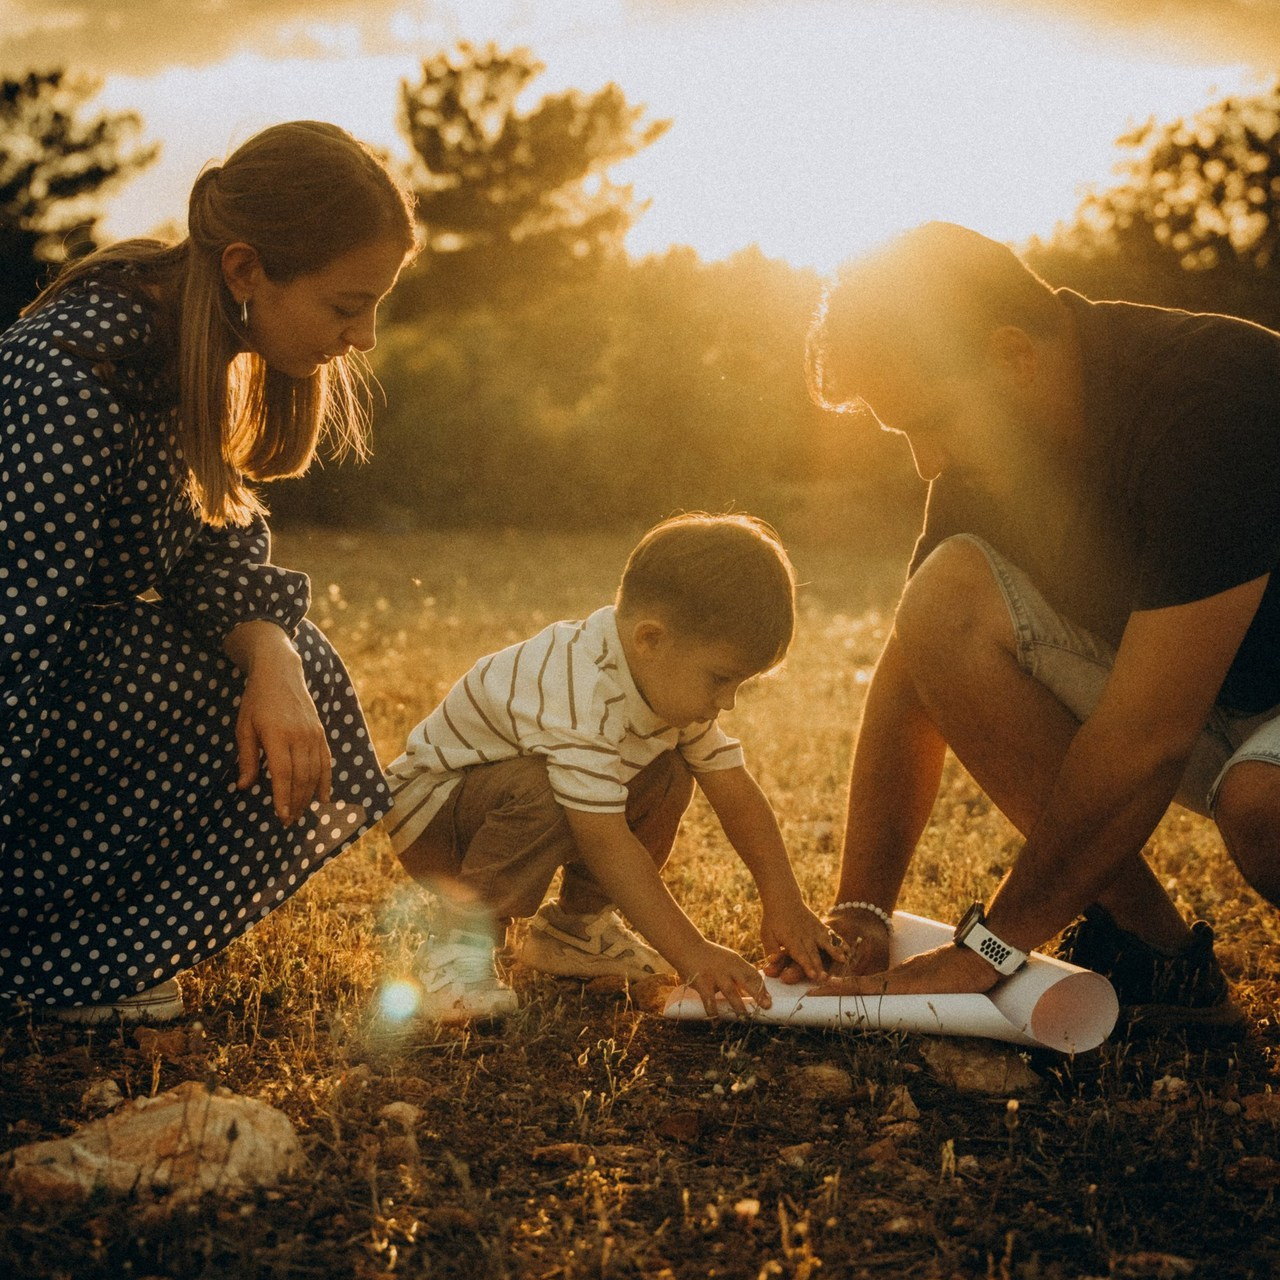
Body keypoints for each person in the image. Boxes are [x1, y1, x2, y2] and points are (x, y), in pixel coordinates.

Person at [795, 220, 1280, 1029]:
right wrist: (860, 912)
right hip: (1222, 699)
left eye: (930, 420)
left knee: (1264, 805)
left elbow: (1147, 738)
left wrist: (988, 949)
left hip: (1230, 726)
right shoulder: (991, 450)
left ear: (1014, 356)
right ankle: (1154, 959)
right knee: (942, 601)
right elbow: (914, 668)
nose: (927, 461)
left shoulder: (1212, 402)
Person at [0, 120, 417, 1024]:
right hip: (22, 689)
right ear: (244, 270)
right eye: (348, 304)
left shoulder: (190, 342)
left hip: (61, 678)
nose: (367, 336)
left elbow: (207, 547)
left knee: (305, 683)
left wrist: (272, 657)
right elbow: (12, 649)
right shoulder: (71, 379)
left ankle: (73, 957)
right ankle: (36, 958)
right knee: (173, 677)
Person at [383, 512, 842, 1023]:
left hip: (500, 805)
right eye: (720, 679)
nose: (727, 702)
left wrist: (783, 900)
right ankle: (455, 948)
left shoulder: (657, 680)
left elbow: (733, 789)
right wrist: (692, 952)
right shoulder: (579, 688)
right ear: (650, 639)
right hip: (435, 819)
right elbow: (604, 840)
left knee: (666, 771)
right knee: (554, 792)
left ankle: (574, 931)